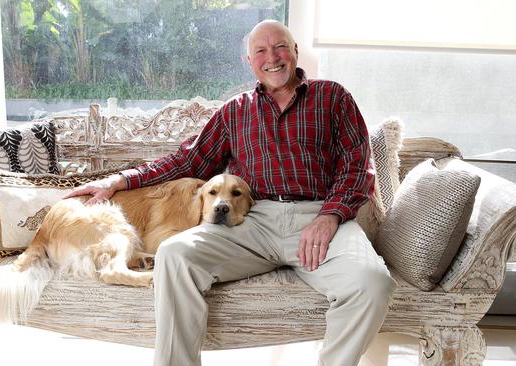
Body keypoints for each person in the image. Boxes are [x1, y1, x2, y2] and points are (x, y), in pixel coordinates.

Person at [64, 19, 396, 366]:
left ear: (296, 51)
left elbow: (358, 167)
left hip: (320, 218)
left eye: (280, 46)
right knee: (175, 254)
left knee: (372, 284)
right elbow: (188, 161)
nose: (273, 57)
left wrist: (329, 216)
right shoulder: (235, 111)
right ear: (249, 61)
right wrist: (119, 181)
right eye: (261, 51)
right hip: (251, 221)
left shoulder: (332, 97)